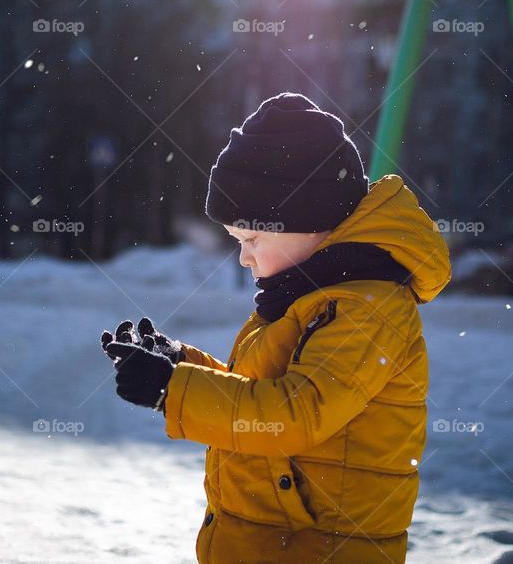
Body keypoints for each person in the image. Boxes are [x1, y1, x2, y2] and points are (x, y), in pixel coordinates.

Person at [101, 92, 452, 563]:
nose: (244, 256)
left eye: (251, 238)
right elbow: (261, 391)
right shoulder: (305, 293)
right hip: (271, 541)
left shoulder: (368, 307)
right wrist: (182, 363)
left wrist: (175, 390)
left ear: (310, 221)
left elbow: (294, 416)